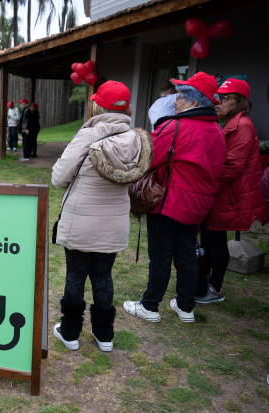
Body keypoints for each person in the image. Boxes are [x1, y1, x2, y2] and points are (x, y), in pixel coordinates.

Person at [51, 81, 150, 352]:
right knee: (103, 276)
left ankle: (70, 332)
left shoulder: (87, 136)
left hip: (80, 223)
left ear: (97, 105)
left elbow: (59, 177)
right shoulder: (137, 140)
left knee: (75, 276)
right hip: (114, 224)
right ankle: (104, 334)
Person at [123, 72, 227, 323]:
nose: (175, 101)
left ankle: (150, 306)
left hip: (169, 202)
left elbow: (149, 159)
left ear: (193, 102)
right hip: (198, 206)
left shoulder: (175, 125)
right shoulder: (217, 131)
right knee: (187, 254)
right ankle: (186, 306)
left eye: (180, 97)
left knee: (161, 255)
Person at [197, 79, 267, 304]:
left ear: (240, 101)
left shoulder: (242, 125)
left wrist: (207, 190)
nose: (218, 102)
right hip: (220, 192)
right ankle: (204, 282)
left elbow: (231, 167)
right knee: (209, 238)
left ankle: (215, 288)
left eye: (225, 98)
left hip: (226, 193)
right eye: (218, 97)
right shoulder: (230, 122)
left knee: (216, 242)